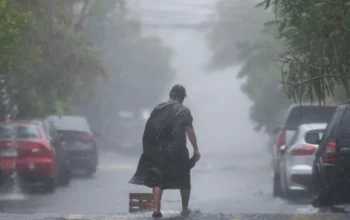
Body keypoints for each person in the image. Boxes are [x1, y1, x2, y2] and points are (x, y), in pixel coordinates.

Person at [128, 84, 200, 218]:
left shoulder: (158, 109)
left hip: (159, 150)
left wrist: (148, 150)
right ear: (182, 97)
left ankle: (156, 209)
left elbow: (149, 129)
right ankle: (184, 209)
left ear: (171, 95)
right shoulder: (184, 110)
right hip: (178, 151)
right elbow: (190, 131)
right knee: (184, 179)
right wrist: (196, 149)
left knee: (158, 180)